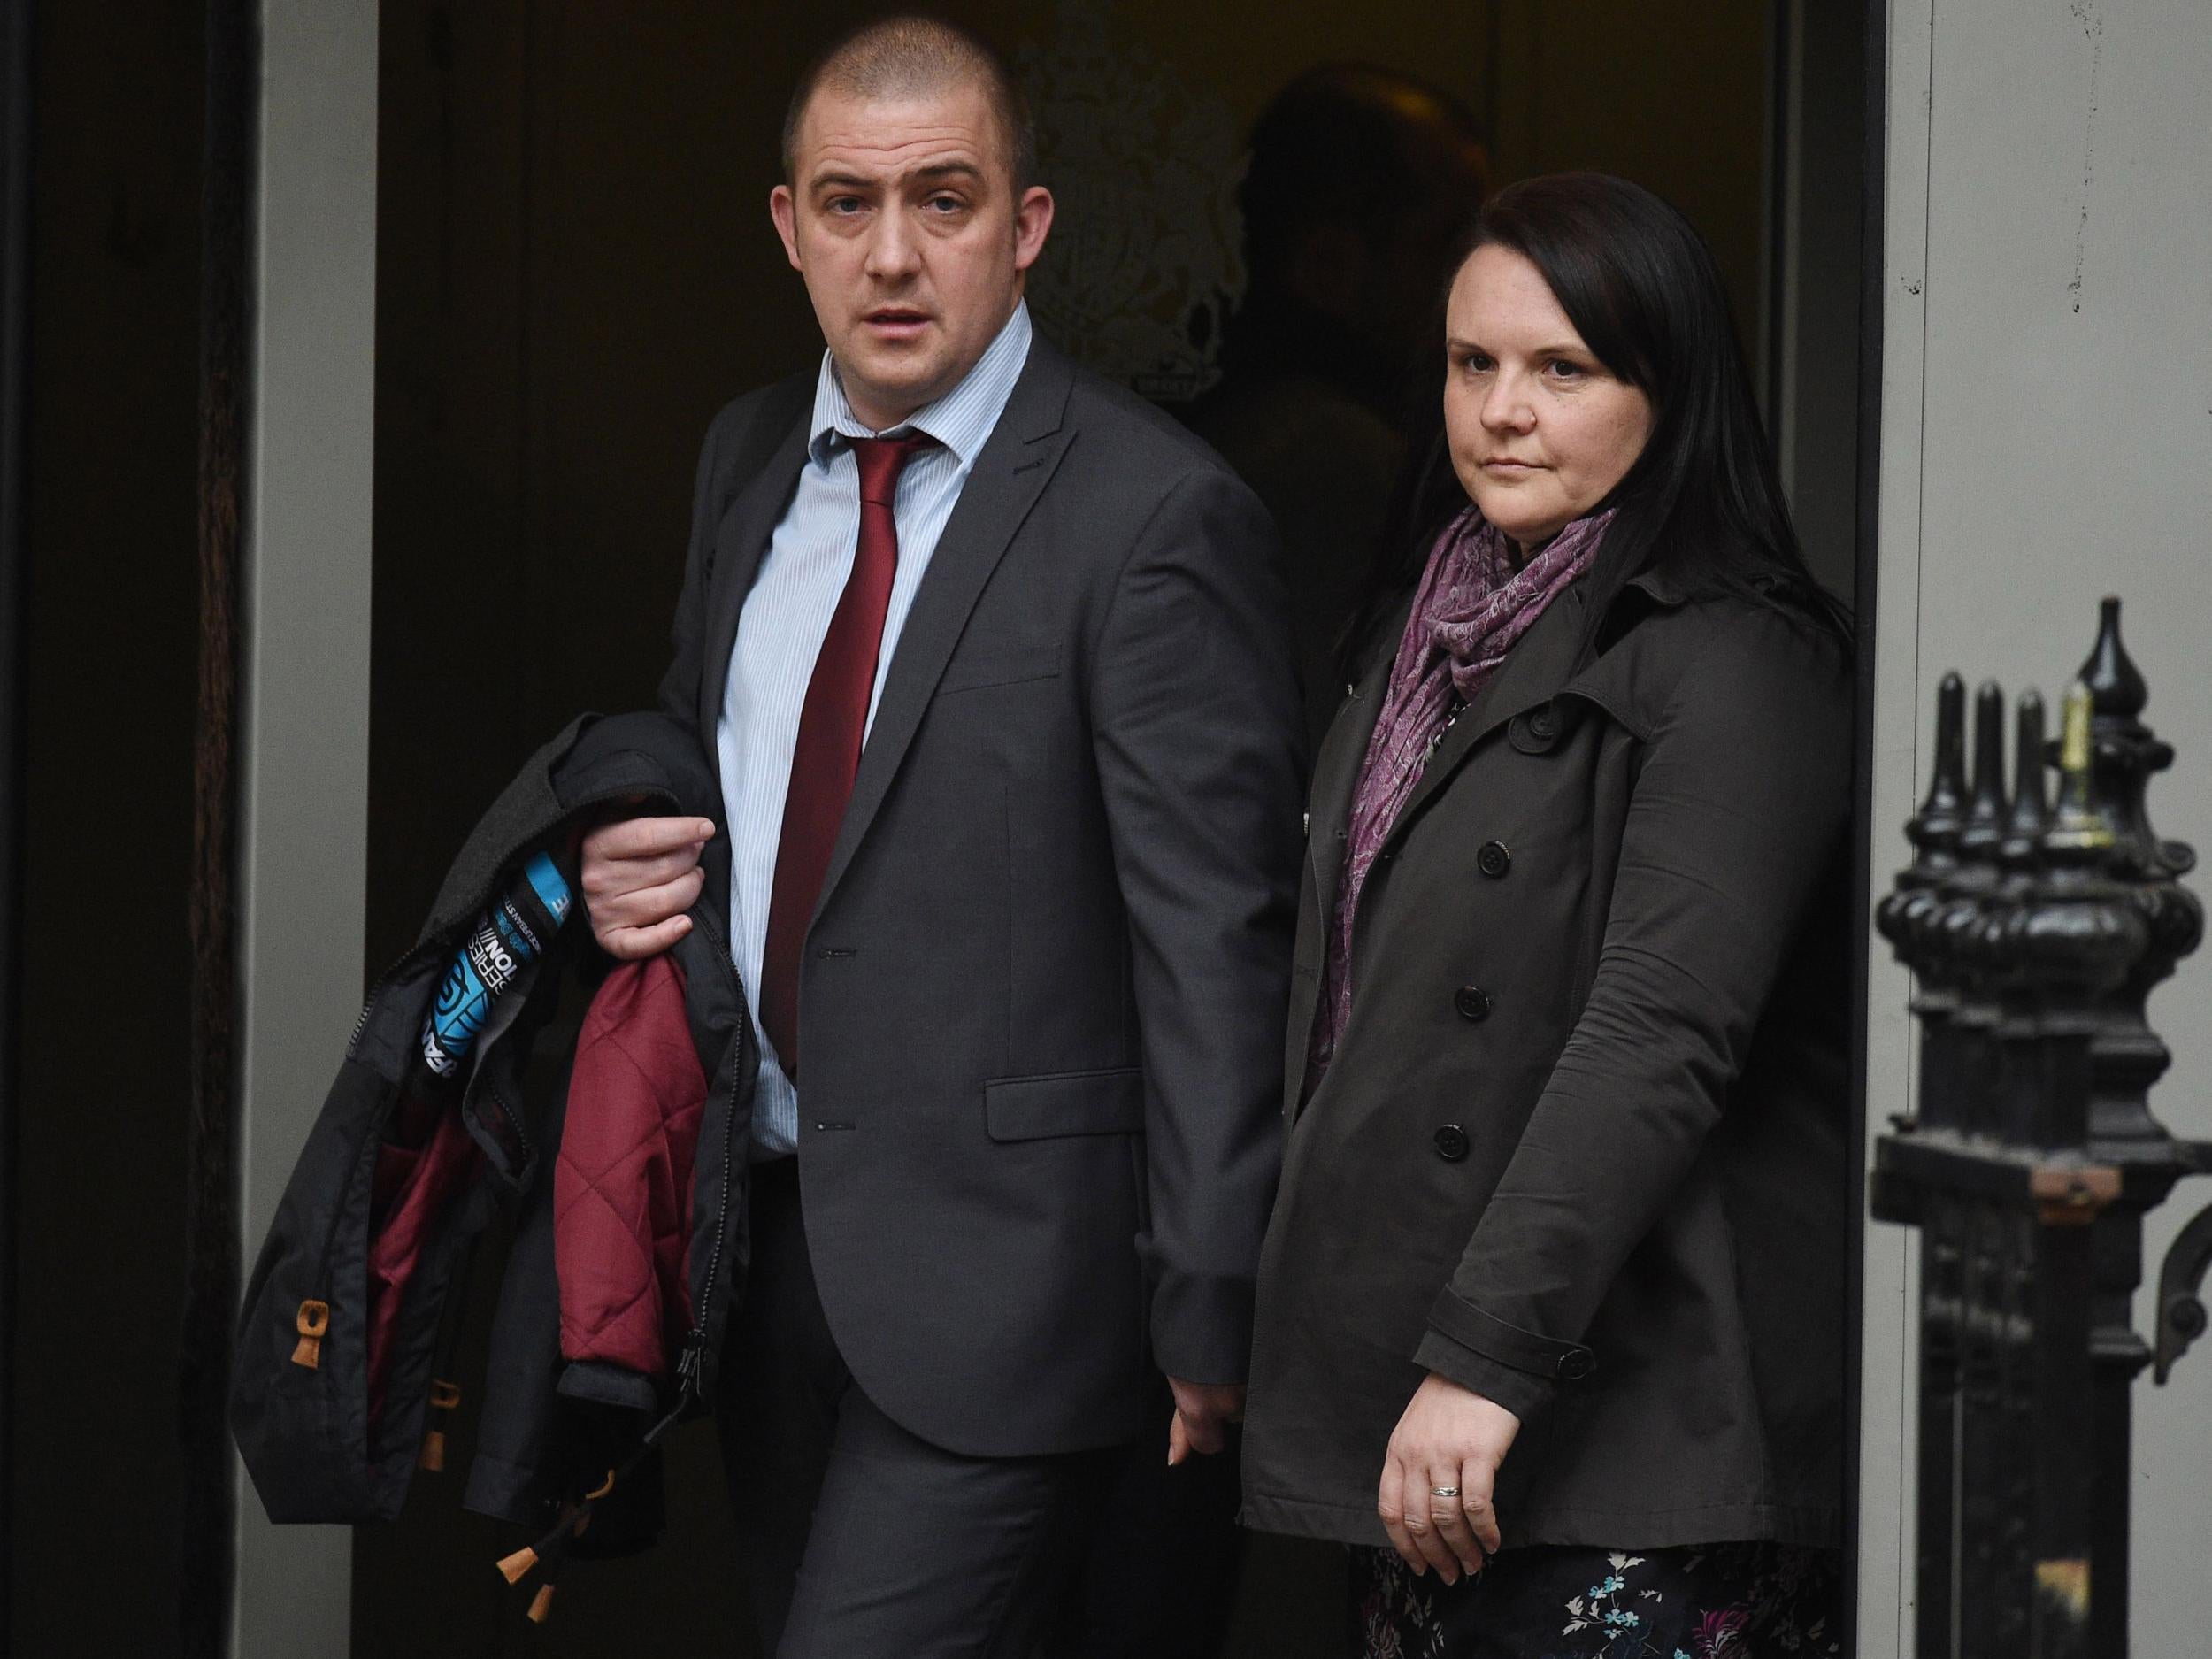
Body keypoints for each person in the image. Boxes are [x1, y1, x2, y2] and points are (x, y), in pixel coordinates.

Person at [576, 18, 1303, 1655]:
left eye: (946, 200)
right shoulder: (744, 458)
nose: (893, 254)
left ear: (1027, 224)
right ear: (788, 227)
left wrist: (1215, 1298)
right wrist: (619, 831)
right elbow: (718, 751)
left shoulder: (1151, 515)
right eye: (847, 205)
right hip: (762, 1261)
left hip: (1021, 1295)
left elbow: (1215, 941)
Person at [1239, 173, 1853, 1656]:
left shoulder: (1738, 657)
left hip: (1625, 1420)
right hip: (1424, 1411)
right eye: (1474, 364)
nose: (1504, 410)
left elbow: (1658, 1032)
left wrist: (1486, 1361)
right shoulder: (1418, 637)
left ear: (1668, 390)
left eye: (1563, 369)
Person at [1187, 66, 1489, 751]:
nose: (1484, 277)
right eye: (1449, 243)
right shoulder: (1333, 460)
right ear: (1327, 264)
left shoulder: (1260, 433)